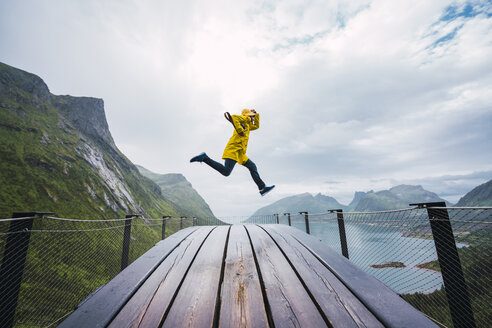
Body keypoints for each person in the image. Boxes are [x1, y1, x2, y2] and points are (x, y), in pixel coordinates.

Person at [190, 109, 275, 196]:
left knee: (252, 166)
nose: (252, 117)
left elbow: (256, 126)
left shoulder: (248, 126)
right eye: (251, 116)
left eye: (253, 116)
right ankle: (205, 158)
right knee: (226, 172)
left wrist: (256, 115)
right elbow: (234, 117)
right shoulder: (245, 119)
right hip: (234, 150)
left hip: (240, 153)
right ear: (247, 115)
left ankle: (262, 188)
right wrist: (240, 128)